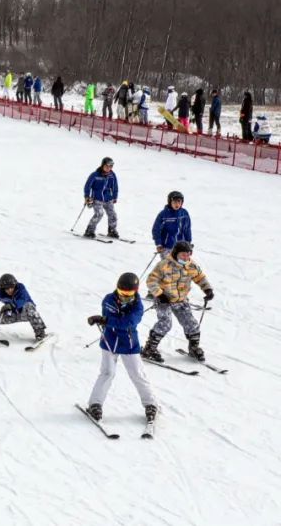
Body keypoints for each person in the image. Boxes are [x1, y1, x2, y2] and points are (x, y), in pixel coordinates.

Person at [84, 272, 157, 423]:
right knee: (107, 373)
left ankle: (150, 404)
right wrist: (104, 320)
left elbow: (127, 323)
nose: (124, 295)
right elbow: (111, 318)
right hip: (109, 342)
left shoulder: (138, 306)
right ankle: (95, 404)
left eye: (128, 293)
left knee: (137, 373)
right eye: (121, 292)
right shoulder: (108, 299)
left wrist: (105, 320)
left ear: (135, 291)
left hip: (129, 343)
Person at [141, 241, 214, 363]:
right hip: (165, 300)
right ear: (175, 254)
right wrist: (160, 294)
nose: (186, 257)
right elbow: (151, 281)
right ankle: (149, 349)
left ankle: (193, 347)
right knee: (165, 323)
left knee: (192, 324)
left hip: (181, 300)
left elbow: (200, 277)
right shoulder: (164, 265)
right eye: (183, 255)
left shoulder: (191, 266)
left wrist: (207, 289)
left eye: (188, 254)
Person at [83, 156, 118, 239]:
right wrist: (87, 197)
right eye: (107, 166)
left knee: (113, 215)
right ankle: (89, 231)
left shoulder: (112, 175)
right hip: (97, 198)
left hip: (108, 198)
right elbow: (87, 186)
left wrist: (114, 196)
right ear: (102, 165)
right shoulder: (95, 175)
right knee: (99, 214)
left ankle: (112, 230)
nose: (108, 168)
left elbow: (115, 186)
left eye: (110, 166)